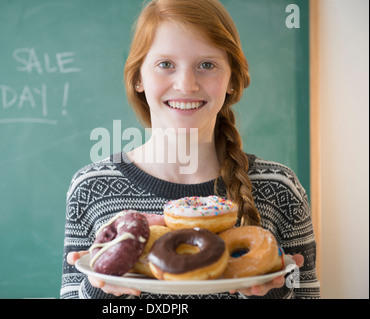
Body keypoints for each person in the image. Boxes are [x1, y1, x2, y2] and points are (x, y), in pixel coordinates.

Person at [61, 0, 320, 299]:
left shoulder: (280, 188)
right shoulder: (92, 188)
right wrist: (104, 293)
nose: (186, 85)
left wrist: (270, 294)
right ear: (137, 78)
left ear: (232, 80)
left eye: (206, 65)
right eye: (165, 64)